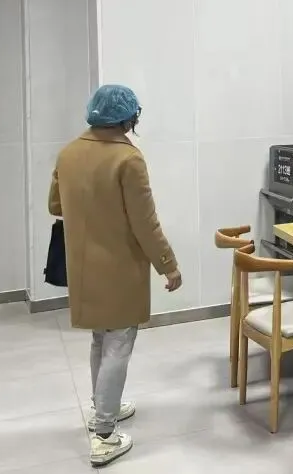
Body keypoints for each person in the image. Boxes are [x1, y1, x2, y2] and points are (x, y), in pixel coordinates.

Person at [48, 84, 182, 468]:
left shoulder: (68, 153)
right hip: (120, 267)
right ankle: (104, 435)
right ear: (127, 118)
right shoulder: (128, 159)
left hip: (83, 266)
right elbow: (145, 223)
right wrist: (168, 265)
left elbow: (55, 205)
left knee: (100, 338)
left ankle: (102, 406)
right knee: (119, 343)